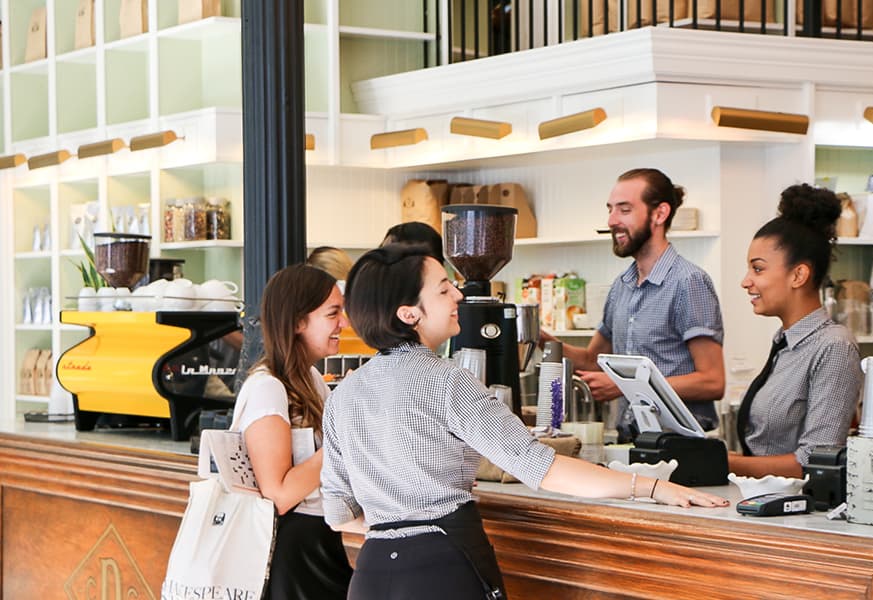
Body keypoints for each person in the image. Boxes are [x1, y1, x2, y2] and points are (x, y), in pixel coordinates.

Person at [321, 243, 728, 600]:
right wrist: (653, 487)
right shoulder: (447, 381)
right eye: (444, 289)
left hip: (372, 574)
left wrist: (396, 527)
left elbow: (338, 512)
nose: (458, 295)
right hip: (444, 567)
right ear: (409, 313)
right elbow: (541, 468)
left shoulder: (345, 393)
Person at [540, 168, 726, 438]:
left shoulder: (689, 282)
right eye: (610, 209)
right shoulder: (622, 286)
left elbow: (712, 381)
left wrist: (624, 385)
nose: (612, 220)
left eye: (624, 210)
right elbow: (593, 360)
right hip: (632, 439)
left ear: (659, 214)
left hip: (680, 444)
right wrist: (540, 340)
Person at [233, 264, 353, 599]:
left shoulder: (312, 381)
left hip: (320, 542)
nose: (343, 323)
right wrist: (347, 441)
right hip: (289, 554)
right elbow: (279, 495)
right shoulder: (267, 388)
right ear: (299, 321)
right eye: (333, 314)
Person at [732, 184, 863, 479]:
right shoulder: (785, 342)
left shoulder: (834, 347)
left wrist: (724, 462)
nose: (746, 281)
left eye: (758, 269)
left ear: (798, 275)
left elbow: (814, 460)